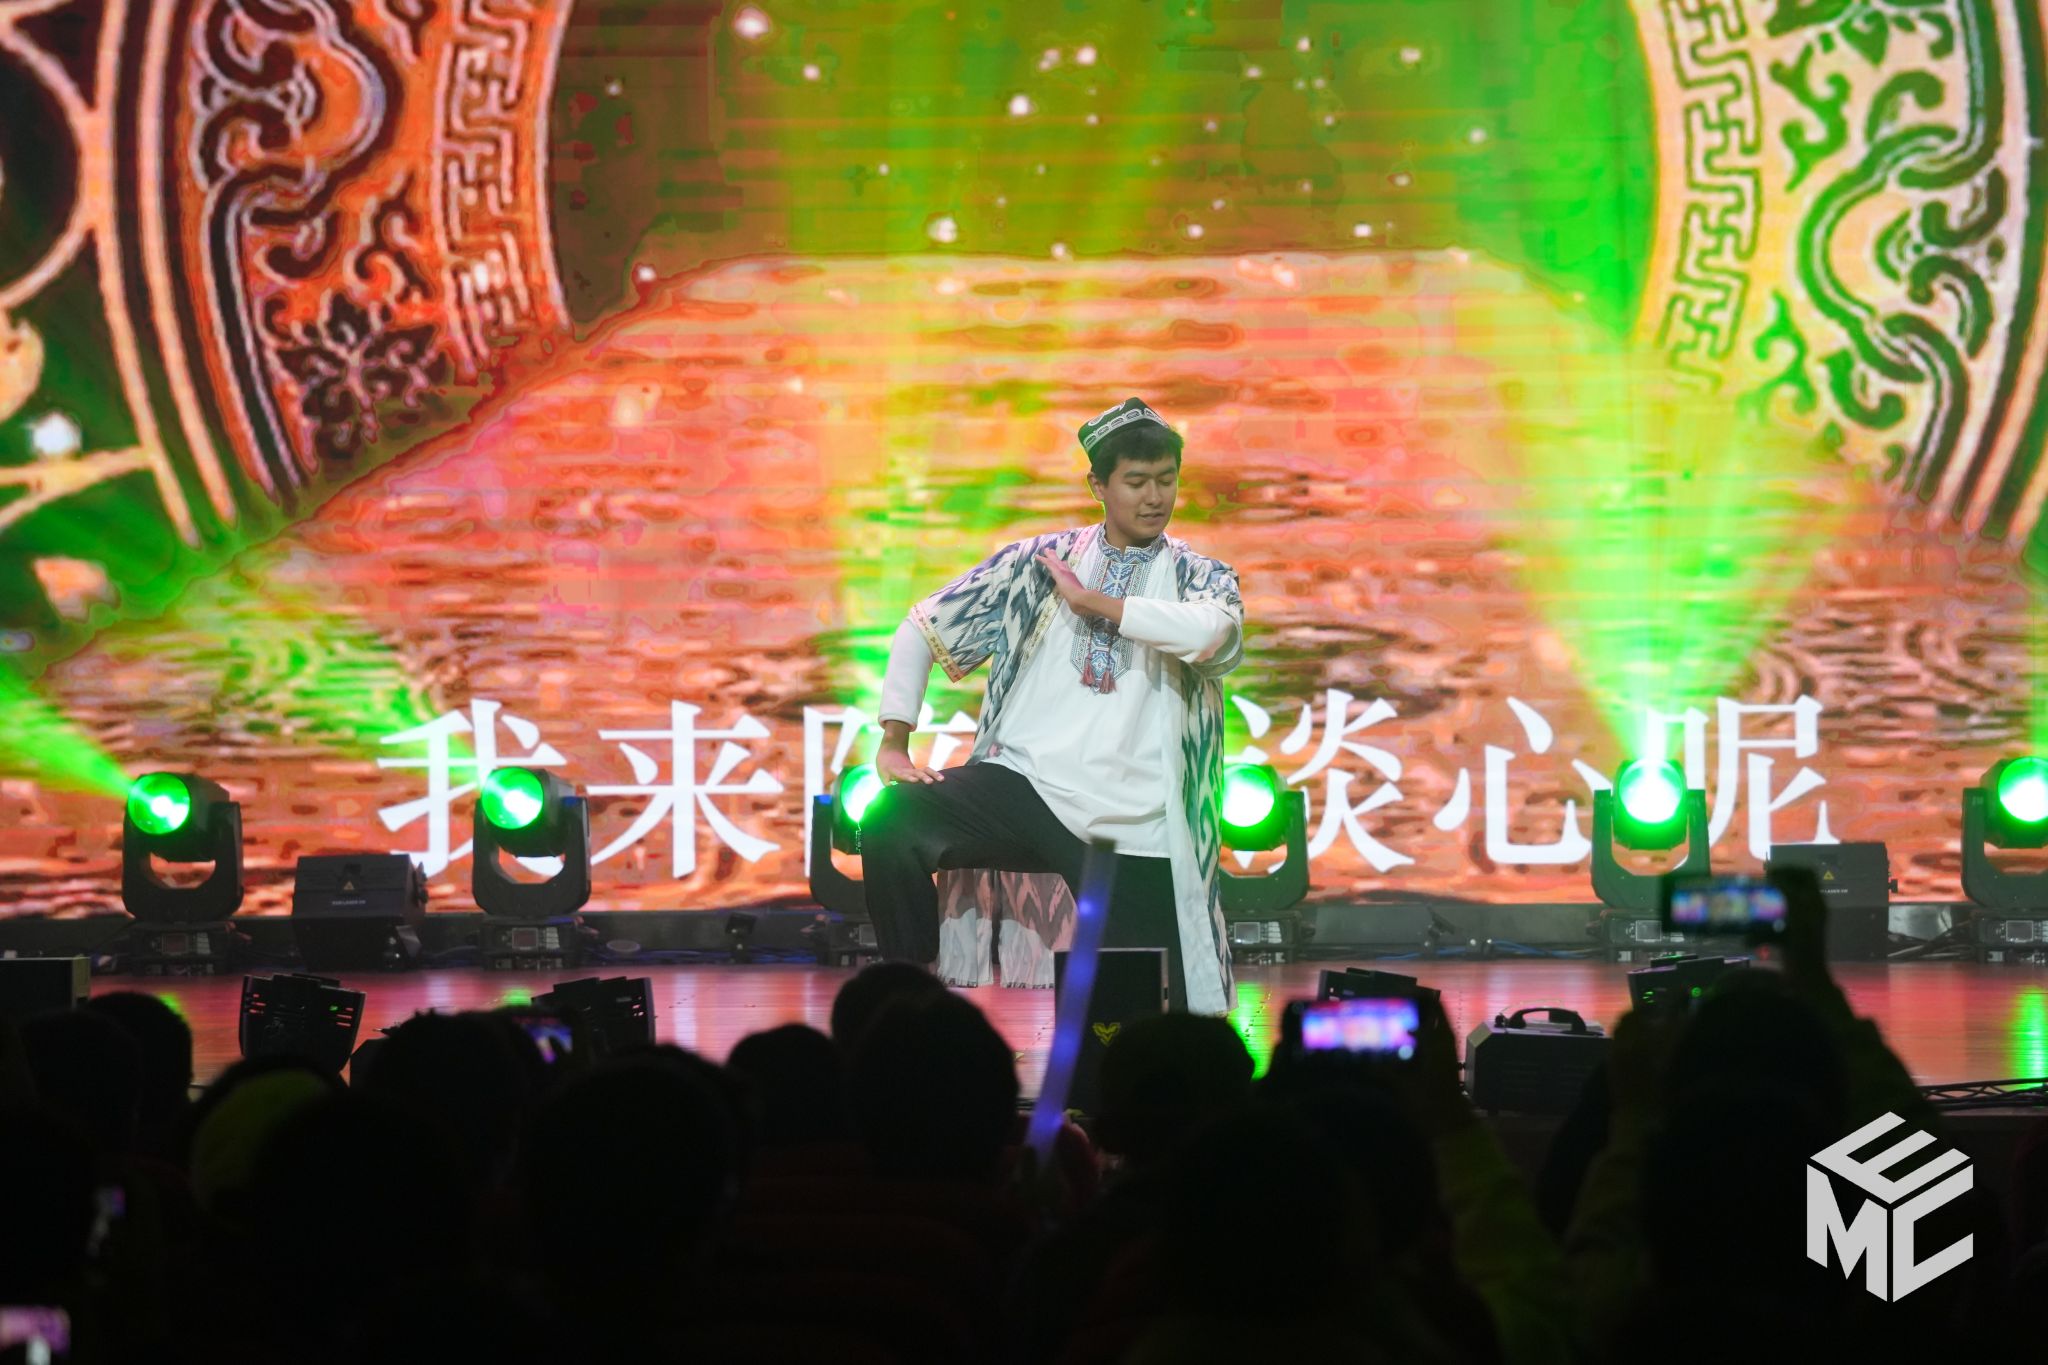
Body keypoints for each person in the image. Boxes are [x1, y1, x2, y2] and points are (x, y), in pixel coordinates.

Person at [860, 397, 1244, 1012]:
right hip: (1025, 786)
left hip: (1135, 819)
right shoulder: (1037, 564)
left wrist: (1098, 605)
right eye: (1136, 482)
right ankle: (907, 1000)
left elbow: (1214, 636)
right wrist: (894, 740)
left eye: (1166, 480)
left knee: (1143, 1008)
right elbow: (922, 627)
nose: (1154, 498)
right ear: (1098, 485)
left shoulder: (1201, 575)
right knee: (891, 820)